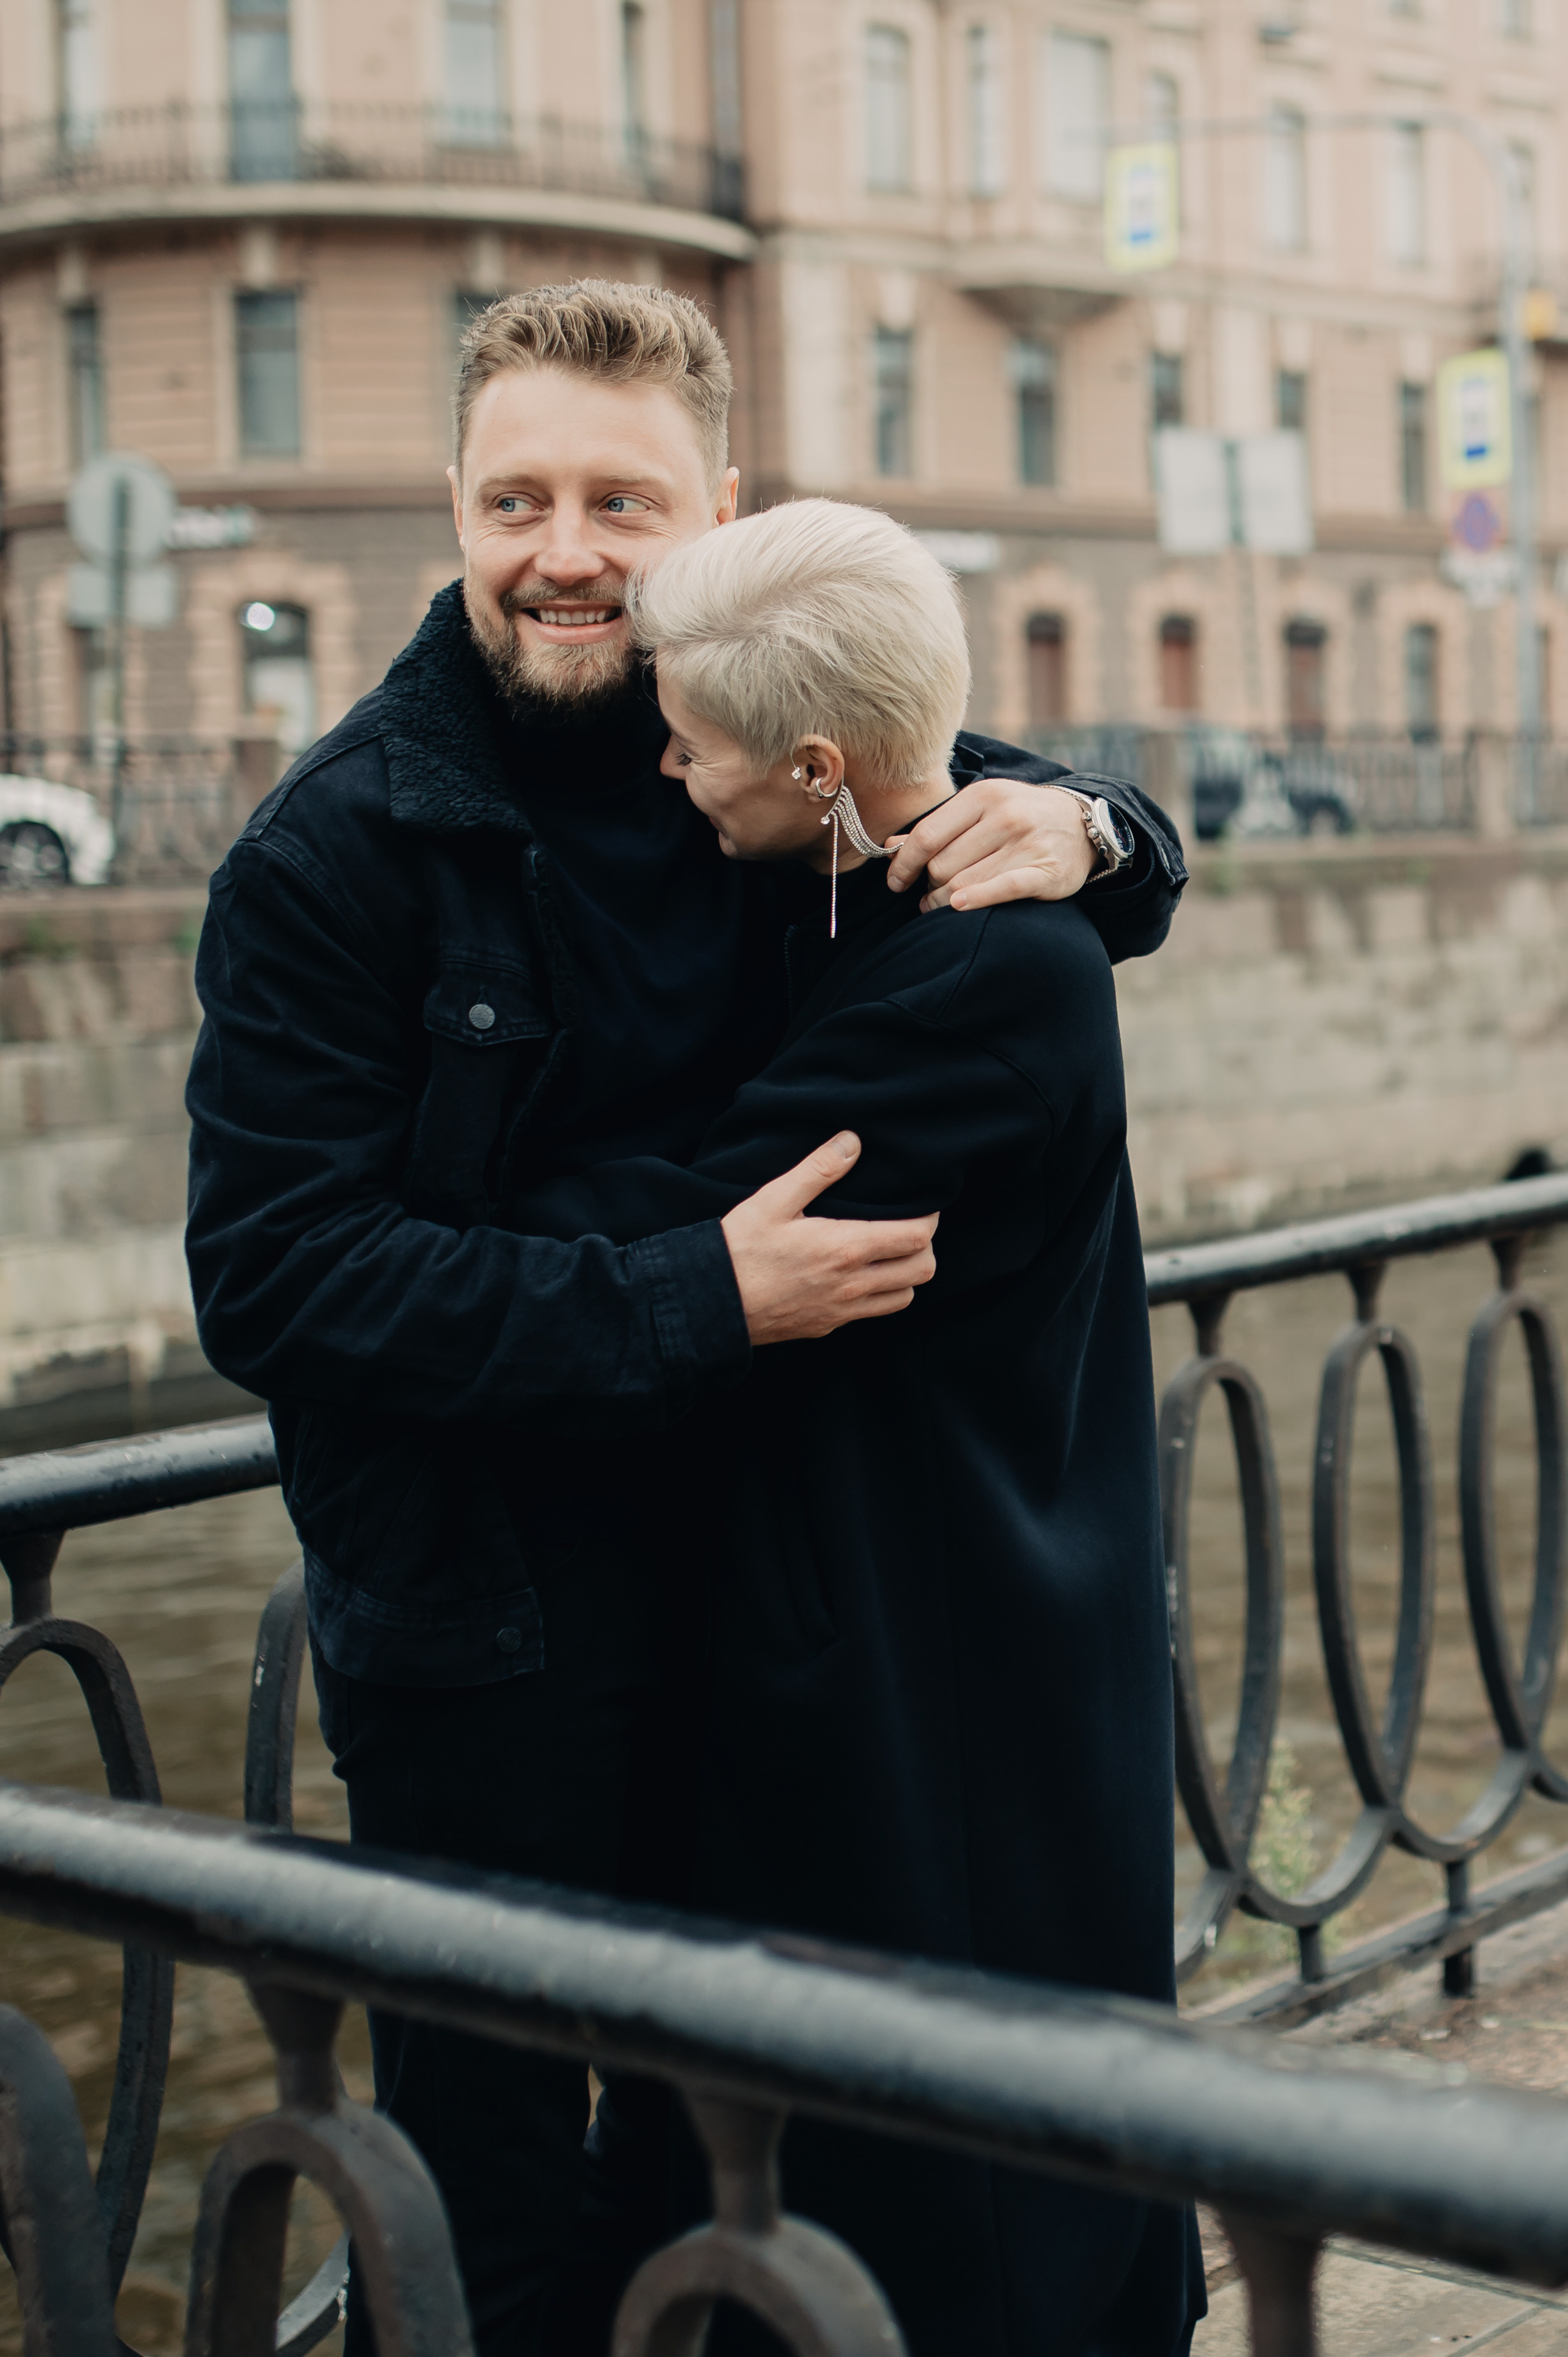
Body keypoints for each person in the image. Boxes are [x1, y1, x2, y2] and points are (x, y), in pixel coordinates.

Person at [183, 280, 1188, 2355]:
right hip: (494, 1644)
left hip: (761, 1632)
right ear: (452, 507)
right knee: (495, 2217)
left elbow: (967, 804)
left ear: (715, 513)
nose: (567, 552)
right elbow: (275, 1273)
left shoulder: (747, 714)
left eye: (620, 501)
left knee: (733, 2172)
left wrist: (1110, 831)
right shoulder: (332, 852)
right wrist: (690, 1291)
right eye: (515, 497)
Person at [499, 497, 1202, 2357]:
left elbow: (712, 1202)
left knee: (944, 2145)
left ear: (817, 771)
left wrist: (426, 1231)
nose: (662, 760)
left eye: (691, 739)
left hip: (944, 1629)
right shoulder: (877, 867)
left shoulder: (985, 977)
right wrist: (1115, 823)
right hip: (921, 1586)